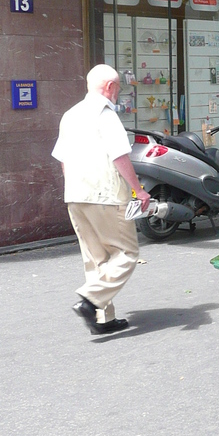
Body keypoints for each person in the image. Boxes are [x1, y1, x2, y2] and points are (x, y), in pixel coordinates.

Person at [52, 64, 150, 333]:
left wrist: (75, 187)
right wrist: (138, 190)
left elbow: (62, 159)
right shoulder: (105, 115)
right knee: (127, 253)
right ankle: (89, 300)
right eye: (118, 87)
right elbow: (120, 156)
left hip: (75, 194)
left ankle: (102, 319)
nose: (118, 93)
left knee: (96, 258)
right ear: (110, 86)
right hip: (105, 195)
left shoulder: (70, 115)